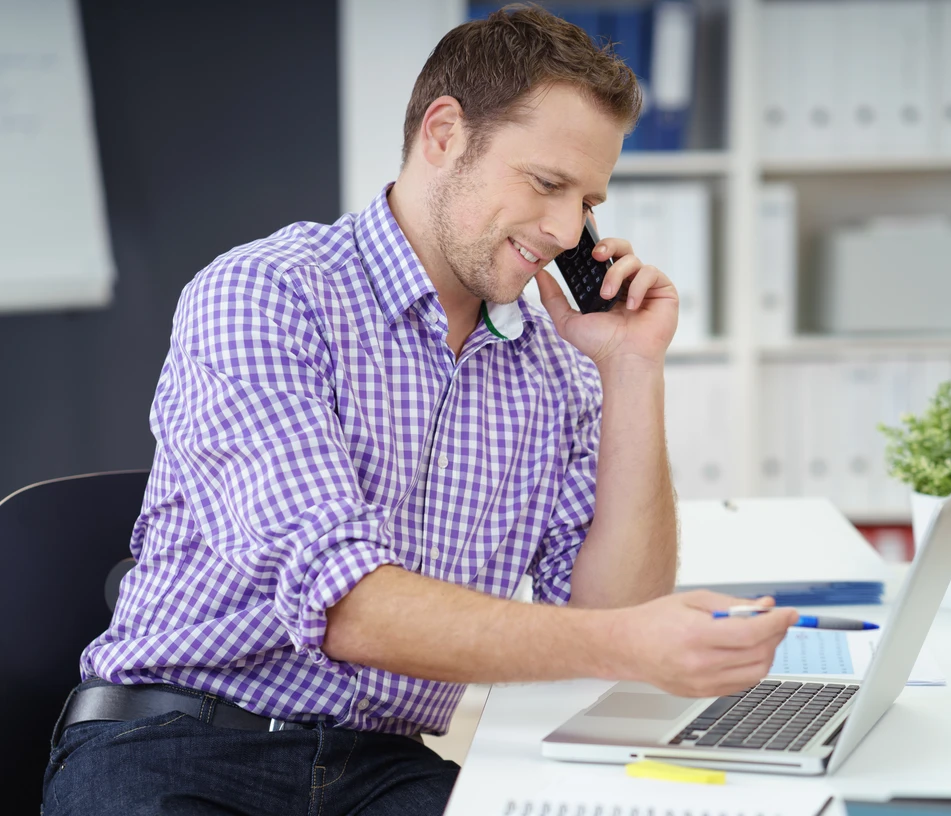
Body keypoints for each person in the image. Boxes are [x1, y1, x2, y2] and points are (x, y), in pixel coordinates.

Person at [42, 6, 798, 815]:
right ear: (443, 134)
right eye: (547, 184)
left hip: (381, 767)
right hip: (180, 744)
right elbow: (348, 610)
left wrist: (633, 370)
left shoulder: (556, 370)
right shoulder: (266, 294)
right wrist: (631, 642)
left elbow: (610, 618)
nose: (564, 230)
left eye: (588, 202)